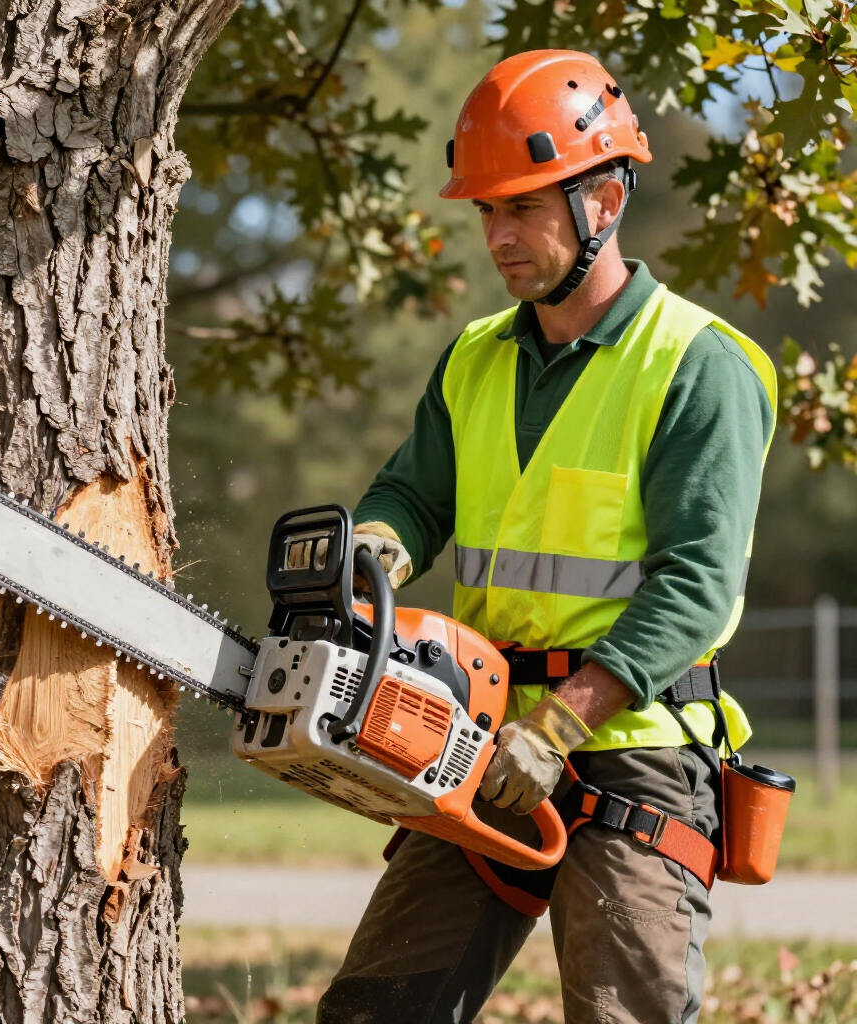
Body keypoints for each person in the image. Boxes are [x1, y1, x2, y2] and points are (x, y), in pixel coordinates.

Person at [316, 49, 776, 1024]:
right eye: (486, 210)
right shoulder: (475, 360)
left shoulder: (696, 365)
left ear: (603, 199)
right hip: (479, 739)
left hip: (631, 741)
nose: (497, 236)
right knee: (373, 1008)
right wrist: (379, 547)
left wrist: (567, 718)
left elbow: (696, 585)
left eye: (520, 206)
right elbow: (412, 493)